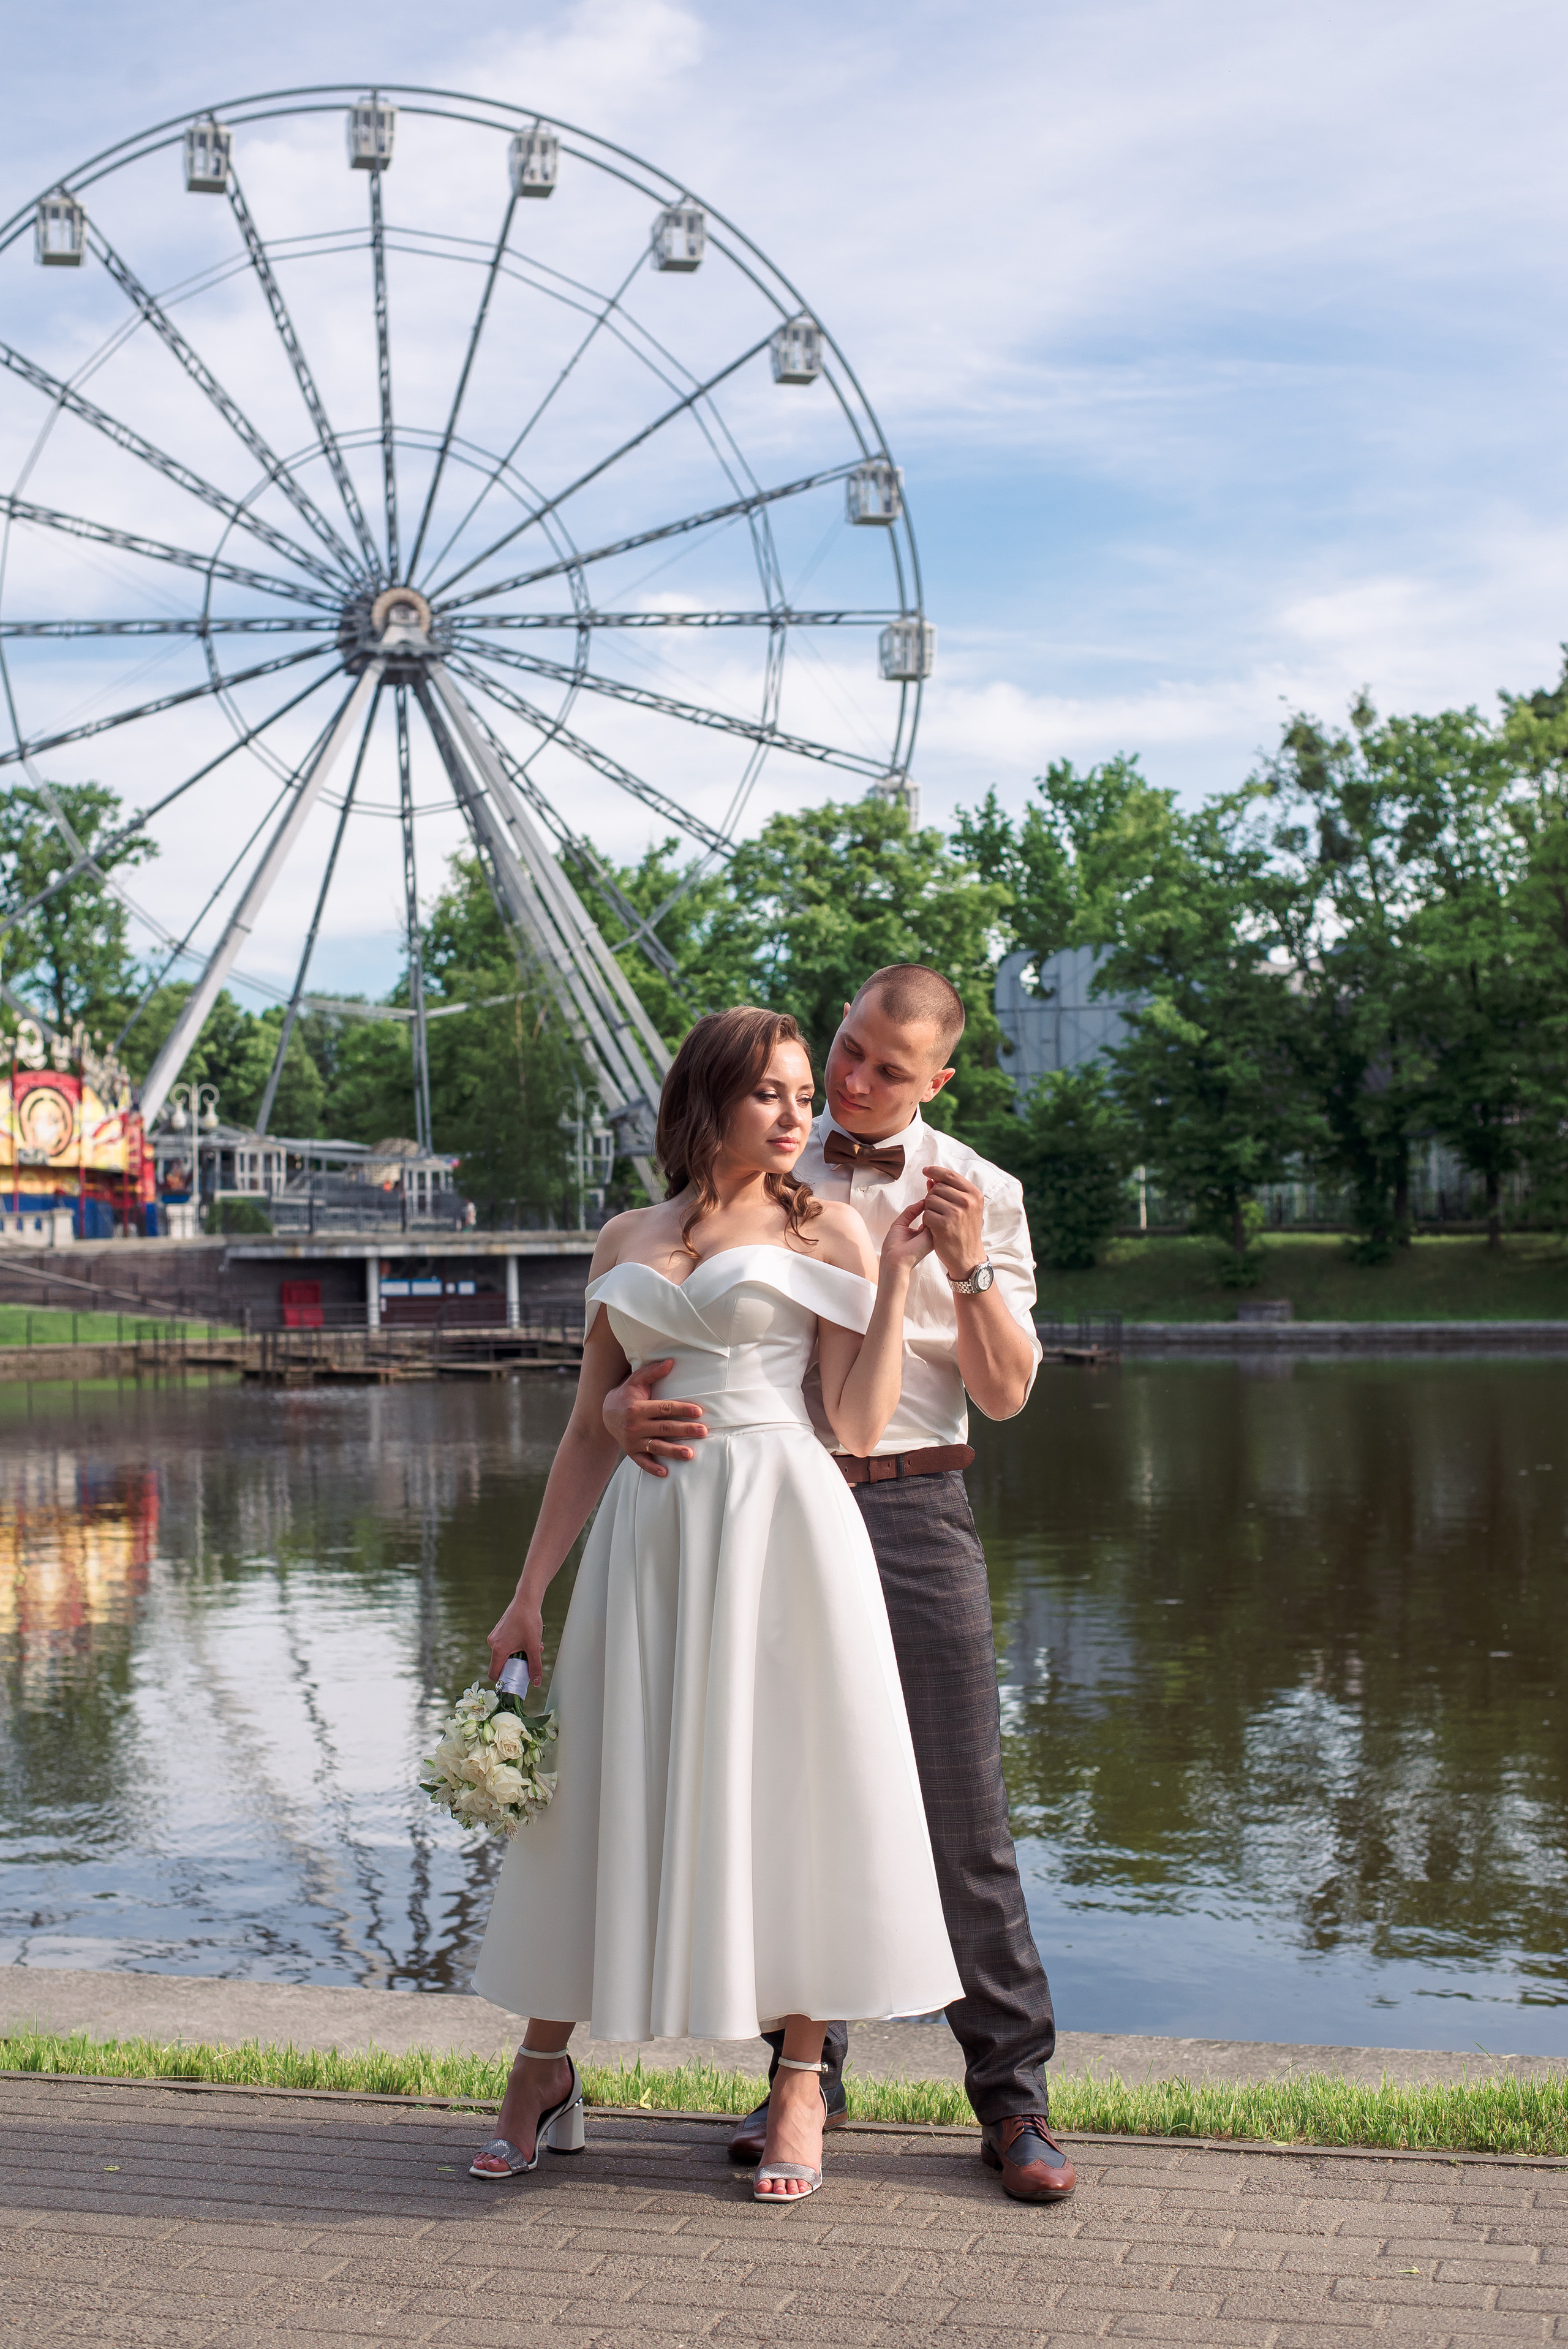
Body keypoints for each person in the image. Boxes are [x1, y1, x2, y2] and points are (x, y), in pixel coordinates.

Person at [469, 1005, 961, 2204]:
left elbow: (850, 1424)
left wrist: (894, 1283)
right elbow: (591, 1428)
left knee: (792, 1797)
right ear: (706, 1103)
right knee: (592, 1800)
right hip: (647, 1544)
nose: (800, 1114)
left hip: (781, 1530)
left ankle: (800, 2076)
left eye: (806, 1094)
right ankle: (542, 2071)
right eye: (772, 1095)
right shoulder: (623, 1237)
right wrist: (529, 1592)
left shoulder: (835, 1230)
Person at [603, 966, 1076, 2204]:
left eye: (884, 1069)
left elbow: (1009, 1392)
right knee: (785, 1799)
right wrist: (612, 1402)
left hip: (913, 1506)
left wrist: (966, 1268)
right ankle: (804, 2077)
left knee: (961, 1816)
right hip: (769, 1502)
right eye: (848, 1052)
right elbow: (662, 1305)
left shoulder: (983, 1190)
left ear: (938, 1082)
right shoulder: (772, 1162)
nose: (852, 1084)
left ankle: (1011, 2103)